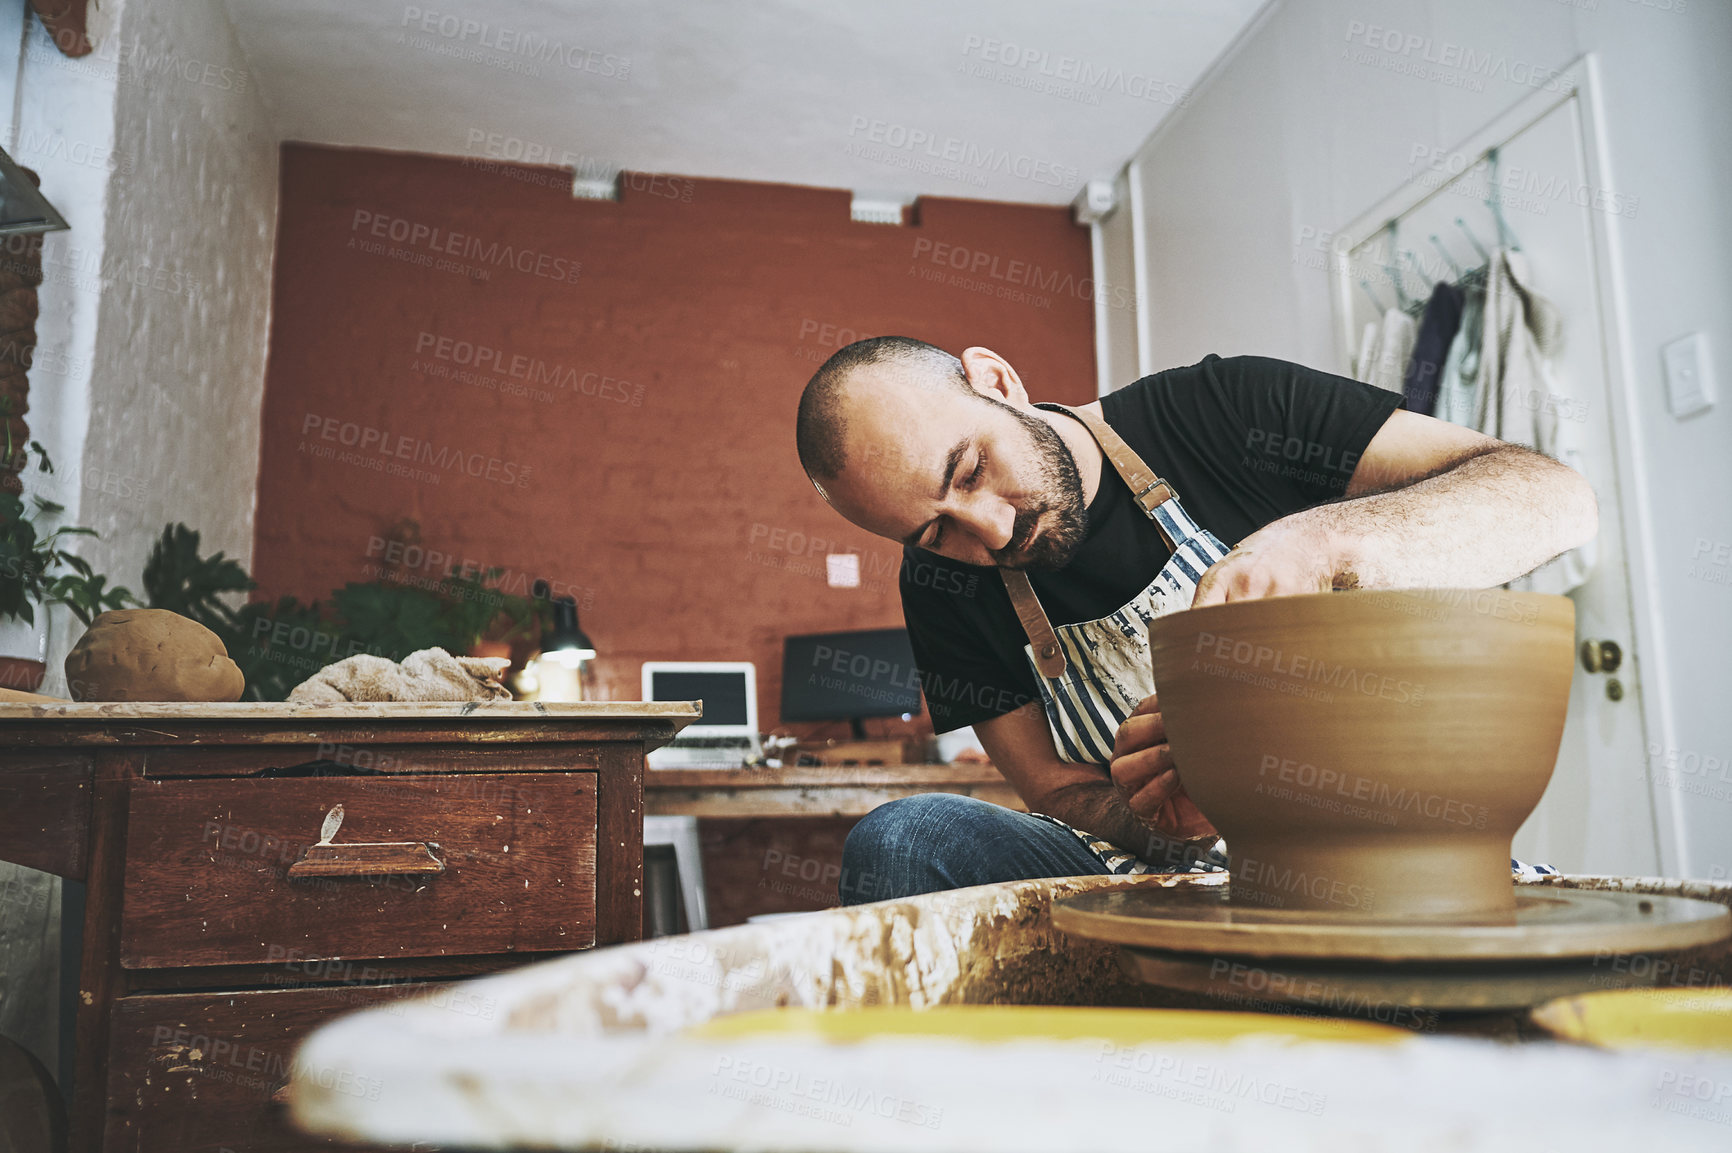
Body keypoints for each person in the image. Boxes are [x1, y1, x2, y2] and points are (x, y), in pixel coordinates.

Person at [793, 338, 1597, 904]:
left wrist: (1325, 544)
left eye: (971, 469)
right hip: (1142, 871)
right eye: (937, 530)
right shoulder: (942, 579)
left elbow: (1554, 496)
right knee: (903, 840)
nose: (992, 533)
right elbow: (1051, 788)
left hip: (1368, 847)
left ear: (996, 381)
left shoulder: (1220, 409)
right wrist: (1163, 823)